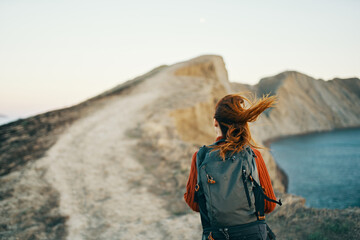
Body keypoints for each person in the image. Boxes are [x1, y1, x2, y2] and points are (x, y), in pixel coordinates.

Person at [184, 93, 280, 240]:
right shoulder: (253, 155)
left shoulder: (201, 157)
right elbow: (268, 206)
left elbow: (195, 204)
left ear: (215, 122)